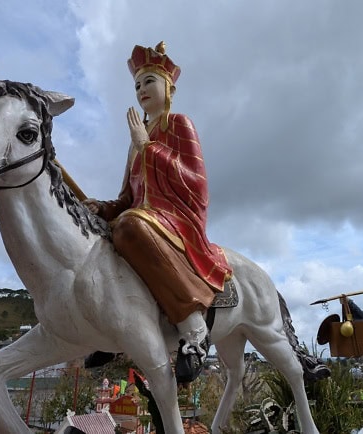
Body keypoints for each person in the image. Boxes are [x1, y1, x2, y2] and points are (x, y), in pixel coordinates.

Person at [84, 41, 232, 383]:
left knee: (129, 227)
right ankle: (117, 325)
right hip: (142, 219)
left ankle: (193, 328)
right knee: (104, 233)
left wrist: (147, 147)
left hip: (177, 220)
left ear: (170, 88)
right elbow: (126, 198)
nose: (141, 90)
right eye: (137, 84)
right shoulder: (137, 140)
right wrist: (101, 207)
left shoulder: (179, 124)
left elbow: (197, 184)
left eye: (149, 81)